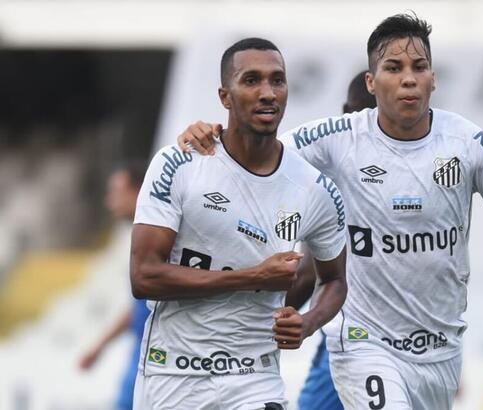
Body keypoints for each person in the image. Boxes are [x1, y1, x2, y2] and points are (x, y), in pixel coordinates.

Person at [177, 13, 483, 410]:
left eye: (418, 68)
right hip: (364, 342)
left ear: (434, 79)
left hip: (441, 351)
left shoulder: (467, 144)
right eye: (394, 68)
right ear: (371, 82)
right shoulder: (336, 138)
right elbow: (252, 155)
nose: (408, 79)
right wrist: (207, 135)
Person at [130, 38, 347, 410]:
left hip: (254, 380)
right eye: (251, 80)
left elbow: (335, 279)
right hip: (172, 376)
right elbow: (144, 277)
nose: (267, 92)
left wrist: (309, 322)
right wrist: (253, 278)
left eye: (277, 80)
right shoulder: (178, 164)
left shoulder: (315, 189)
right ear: (224, 96)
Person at [288, 70, 376, 410]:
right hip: (414, 346)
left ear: (344, 112)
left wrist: (251, 324)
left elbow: (309, 275)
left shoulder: (330, 183)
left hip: (350, 344)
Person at [79, 163, 149, 410]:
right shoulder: (136, 238)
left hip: (161, 358)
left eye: (117, 192)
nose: (110, 202)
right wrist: (100, 346)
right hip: (139, 354)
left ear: (139, 190)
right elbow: (139, 304)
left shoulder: (165, 237)